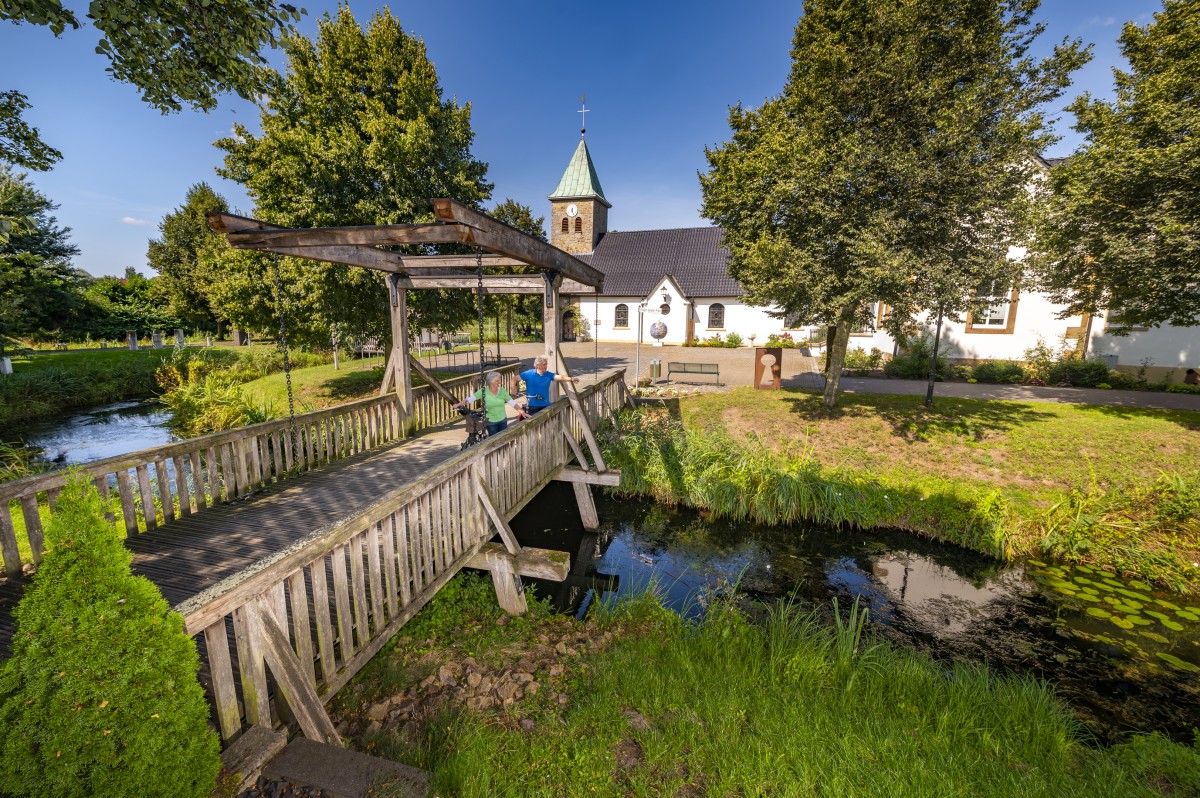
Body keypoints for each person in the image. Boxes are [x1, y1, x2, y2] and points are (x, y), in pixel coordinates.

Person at [454, 371, 522, 437]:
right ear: (491, 382)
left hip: (502, 420)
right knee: (493, 440)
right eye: (497, 381)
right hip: (491, 421)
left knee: (503, 438)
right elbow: (469, 399)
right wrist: (459, 404)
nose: (500, 382)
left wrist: (521, 412)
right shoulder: (483, 391)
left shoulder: (502, 391)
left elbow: (512, 403)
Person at [513, 354, 578, 415]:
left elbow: (561, 377)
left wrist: (571, 379)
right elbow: (514, 379)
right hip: (532, 405)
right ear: (538, 365)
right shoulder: (528, 374)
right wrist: (513, 389)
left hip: (545, 405)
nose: (546, 366)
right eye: (544, 364)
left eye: (546, 364)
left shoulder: (548, 375)